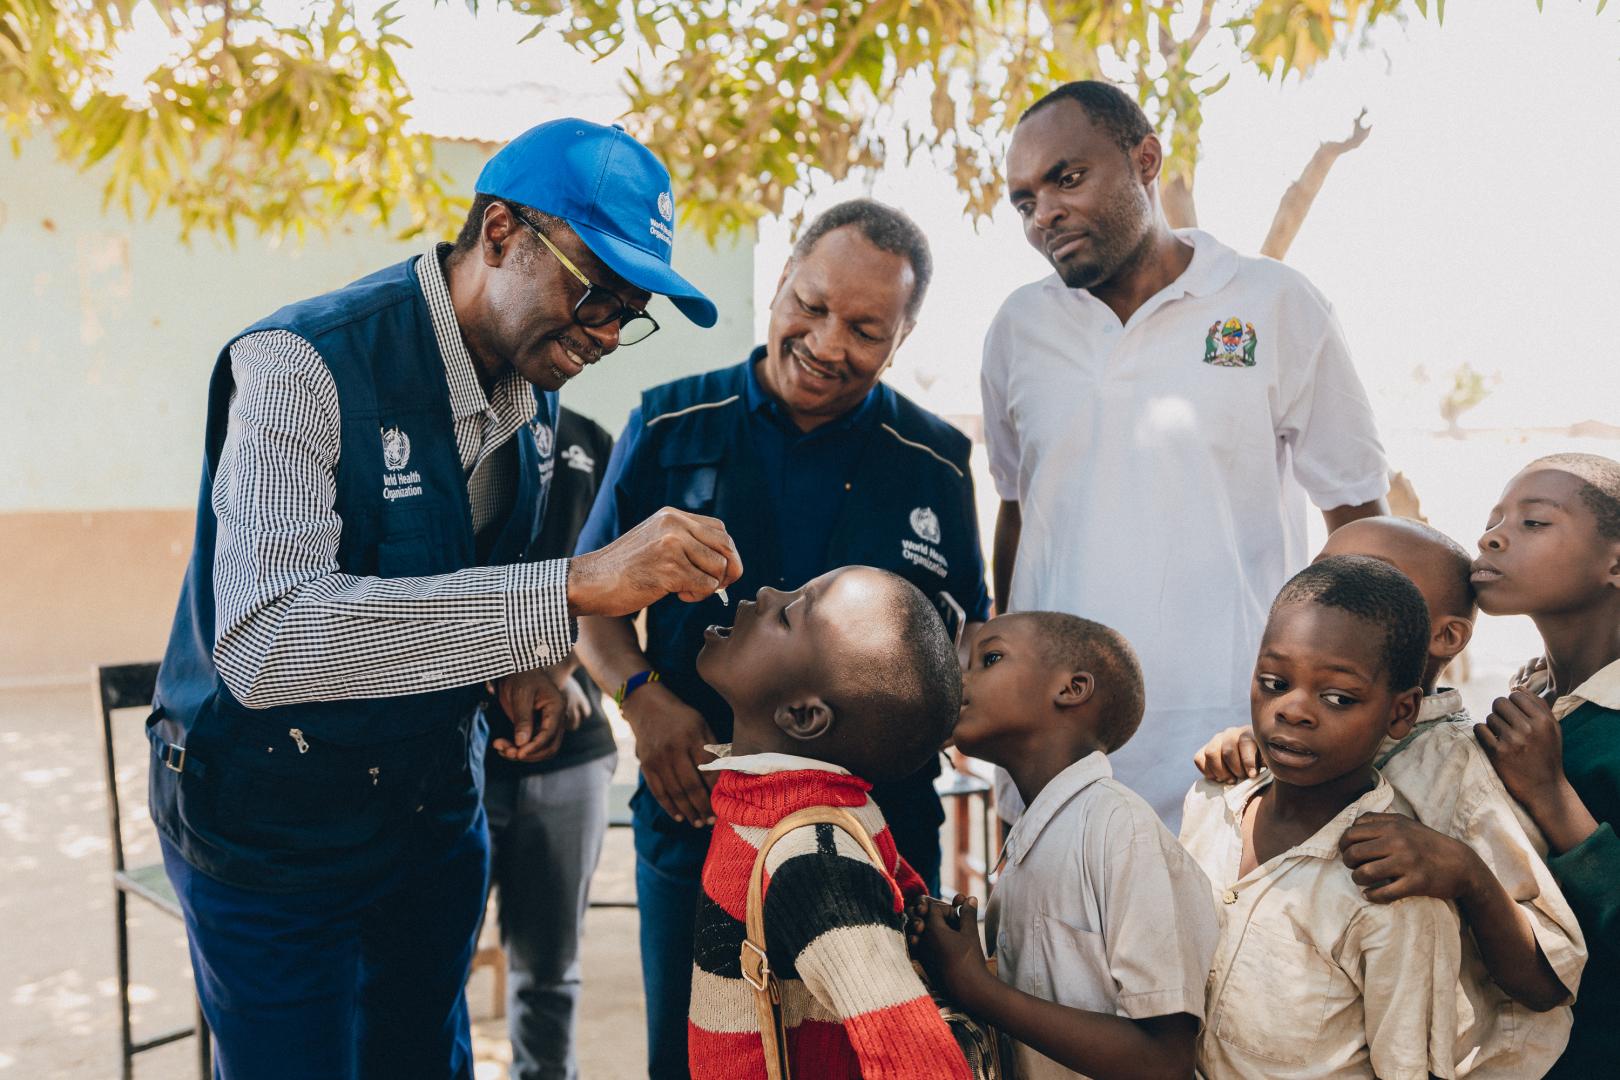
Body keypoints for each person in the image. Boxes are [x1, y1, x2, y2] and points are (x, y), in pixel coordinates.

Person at [146, 119, 744, 1080]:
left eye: (628, 313)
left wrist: (517, 663)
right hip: (274, 832)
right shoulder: (300, 365)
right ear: (501, 232)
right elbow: (266, 643)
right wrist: (574, 588)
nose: (603, 337)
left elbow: (454, 570)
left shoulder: (532, 384)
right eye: (594, 295)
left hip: (428, 812)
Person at [573, 198, 991, 1076]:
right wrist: (644, 704)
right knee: (698, 1055)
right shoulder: (668, 423)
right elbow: (591, 605)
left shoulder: (937, 463)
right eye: (812, 304)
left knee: (868, 1050)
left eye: (867, 328)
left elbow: (962, 649)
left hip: (879, 835)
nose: (829, 342)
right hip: (695, 812)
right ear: (781, 281)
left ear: (901, 339)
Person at [982, 80, 1389, 826]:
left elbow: (1359, 517)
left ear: (1145, 160)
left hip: (1232, 762)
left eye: (1066, 179)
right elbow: (1017, 512)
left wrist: (1346, 709)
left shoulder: (1273, 302)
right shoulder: (1018, 327)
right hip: (1056, 764)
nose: (1044, 215)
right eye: (1023, 201)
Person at [1192, 516, 1585, 1076]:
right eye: (1323, 573)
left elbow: (1548, 980)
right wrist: (1244, 747)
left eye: (1372, 577)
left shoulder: (1458, 778)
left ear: (1445, 637)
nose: (1338, 590)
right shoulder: (1280, 747)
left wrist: (1469, 876)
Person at [1180, 555, 1461, 1079]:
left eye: (1337, 697)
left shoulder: (1390, 891)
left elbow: (1407, 1068)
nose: (1293, 710)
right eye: (1273, 682)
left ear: (1400, 713)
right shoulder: (1210, 804)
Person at [684, 566, 970, 1079]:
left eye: (790, 615)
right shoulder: (778, 805)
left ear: (802, 716)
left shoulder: (815, 862)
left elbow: (920, 1060)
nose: (768, 592)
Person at [910, 611, 1218, 1079]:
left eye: (988, 658)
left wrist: (975, 986)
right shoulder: (1029, 843)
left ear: (1071, 689)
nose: (961, 678)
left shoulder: (1120, 829)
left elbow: (1163, 1062)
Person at [1471, 452, 1620, 1076]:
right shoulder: (1535, 698)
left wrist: (1550, 794)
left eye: (1534, 523)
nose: (1491, 536)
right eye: (1494, 518)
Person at [481, 406, 618, 1080]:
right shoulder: (438, 437)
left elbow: (617, 592)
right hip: (452, 754)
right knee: (421, 971)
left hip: (572, 752)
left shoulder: (592, 443)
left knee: (548, 970)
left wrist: (560, 667)